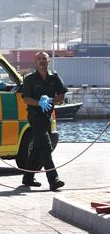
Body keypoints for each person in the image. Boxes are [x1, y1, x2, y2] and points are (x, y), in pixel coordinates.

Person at [21, 51, 67, 191]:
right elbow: (26, 99)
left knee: (37, 148)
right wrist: (39, 102)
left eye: (44, 59)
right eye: (39, 59)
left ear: (49, 61)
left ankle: (27, 178)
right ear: (35, 61)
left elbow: (62, 95)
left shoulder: (54, 77)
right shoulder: (29, 79)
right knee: (46, 146)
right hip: (35, 116)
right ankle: (54, 180)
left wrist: (51, 100)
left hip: (47, 117)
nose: (42, 61)